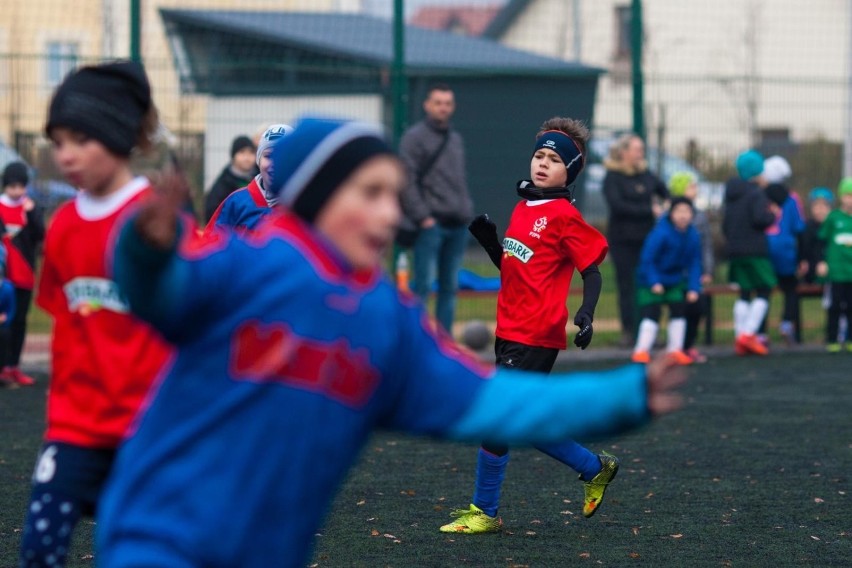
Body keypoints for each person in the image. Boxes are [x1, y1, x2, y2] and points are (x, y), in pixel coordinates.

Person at [95, 116, 687, 568]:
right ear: (318, 195)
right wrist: (144, 250)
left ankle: (577, 473)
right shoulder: (244, 269)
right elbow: (163, 295)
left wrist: (625, 397)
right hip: (162, 532)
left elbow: (489, 401)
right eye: (370, 193)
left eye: (392, 194)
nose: (389, 213)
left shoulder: (383, 319)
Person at [19, 60, 172, 568]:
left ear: (120, 134)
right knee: (39, 549)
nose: (65, 155)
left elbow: (192, 319)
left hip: (144, 431)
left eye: (80, 139)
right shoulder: (62, 226)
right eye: (58, 141)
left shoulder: (156, 222)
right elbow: (62, 313)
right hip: (73, 427)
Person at [447, 117, 616, 534]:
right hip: (510, 327)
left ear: (569, 172)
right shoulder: (524, 206)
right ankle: (594, 468)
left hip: (536, 334)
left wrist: (587, 312)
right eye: (539, 155)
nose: (542, 163)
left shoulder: (563, 216)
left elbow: (591, 271)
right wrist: (491, 242)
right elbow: (515, 270)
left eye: (554, 159)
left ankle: (484, 512)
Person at [399, 83, 473, 333]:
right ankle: (415, 343)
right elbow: (406, 180)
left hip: (457, 223)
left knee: (450, 288)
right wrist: (423, 217)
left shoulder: (455, 139)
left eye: (448, 103)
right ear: (427, 105)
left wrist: (466, 212)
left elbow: (459, 180)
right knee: (422, 286)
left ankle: (445, 343)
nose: (443, 108)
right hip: (430, 225)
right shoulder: (414, 138)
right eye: (438, 102)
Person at [602, 133, 669, 347]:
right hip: (623, 240)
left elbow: (665, 192)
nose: (641, 153)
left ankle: (650, 330)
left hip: (648, 240)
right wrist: (649, 211)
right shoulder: (613, 177)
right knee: (626, 285)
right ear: (624, 152)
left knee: (650, 283)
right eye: (637, 149)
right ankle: (629, 331)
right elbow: (618, 206)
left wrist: (665, 206)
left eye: (641, 149)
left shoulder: (646, 174)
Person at [630, 197, 702, 365]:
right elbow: (647, 259)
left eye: (687, 211)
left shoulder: (693, 235)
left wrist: (693, 287)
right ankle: (641, 351)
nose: (683, 216)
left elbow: (695, 263)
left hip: (674, 280)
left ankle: (675, 350)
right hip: (650, 280)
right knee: (651, 314)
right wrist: (654, 281)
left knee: (679, 311)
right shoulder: (660, 233)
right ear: (672, 213)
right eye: (679, 211)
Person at [722, 149, 779, 356]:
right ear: (756, 172)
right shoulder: (756, 194)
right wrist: (772, 215)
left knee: (745, 291)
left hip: (735, 251)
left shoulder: (730, 195)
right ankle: (748, 333)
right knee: (765, 288)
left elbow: (726, 225)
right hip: (755, 250)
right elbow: (759, 219)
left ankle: (740, 337)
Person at [0, 161, 44, 385]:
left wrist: (32, 215)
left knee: (19, 321)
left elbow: (40, 236)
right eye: (12, 186)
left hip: (24, 275)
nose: (17, 191)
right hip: (3, 278)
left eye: (21, 186)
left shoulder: (31, 207)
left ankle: (13, 366)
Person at [205, 123, 292, 233]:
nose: (274, 163)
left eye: (283, 156)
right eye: (268, 156)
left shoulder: (308, 204)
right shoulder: (236, 203)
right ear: (258, 160)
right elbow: (210, 245)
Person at [667, 172, 713, 363]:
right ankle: (675, 348)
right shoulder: (667, 216)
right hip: (674, 274)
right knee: (678, 310)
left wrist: (707, 270)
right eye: (691, 186)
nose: (695, 190)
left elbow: (706, 246)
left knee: (697, 307)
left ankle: (688, 345)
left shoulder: (700, 216)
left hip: (694, 272)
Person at [762, 156, 806, 344]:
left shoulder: (759, 195)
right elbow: (799, 228)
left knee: (763, 292)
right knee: (790, 289)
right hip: (786, 252)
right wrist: (802, 257)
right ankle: (787, 323)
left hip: (764, 251)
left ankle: (760, 333)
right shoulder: (792, 198)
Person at [816, 178, 852, 352]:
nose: (850, 199)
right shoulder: (833, 218)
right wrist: (822, 262)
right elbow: (821, 241)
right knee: (835, 306)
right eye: (848, 195)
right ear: (841, 197)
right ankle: (832, 339)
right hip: (837, 272)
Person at [202, 134, 256, 222]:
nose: (247, 157)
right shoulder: (223, 183)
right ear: (233, 156)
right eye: (242, 152)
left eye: (251, 152)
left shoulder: (261, 179)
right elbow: (212, 214)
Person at [0, 244, 17, 388]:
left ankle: (3, 369)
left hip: (2, 325)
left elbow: (11, 311)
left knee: (5, 333)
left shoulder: (7, 288)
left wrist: (4, 319)